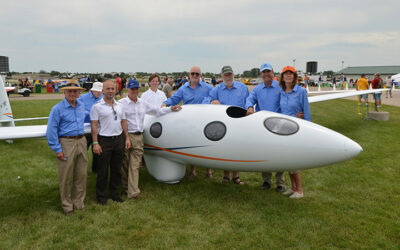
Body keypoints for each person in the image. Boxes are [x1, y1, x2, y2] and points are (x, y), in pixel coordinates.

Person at [245, 62, 303, 192]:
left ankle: (280, 182)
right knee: (264, 152)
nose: (266, 74)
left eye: (268, 71)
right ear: (261, 74)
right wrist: (249, 106)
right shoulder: (257, 89)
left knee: (279, 153)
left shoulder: (280, 86)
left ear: (272, 73)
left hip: (279, 124)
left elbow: (291, 99)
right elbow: (250, 99)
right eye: (263, 72)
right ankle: (266, 180)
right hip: (262, 126)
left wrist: (297, 113)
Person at [119, 80, 181, 199]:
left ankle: (133, 192)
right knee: (125, 165)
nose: (135, 91)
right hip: (125, 136)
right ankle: (126, 187)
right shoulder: (121, 103)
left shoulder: (143, 103)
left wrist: (171, 108)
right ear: (127, 90)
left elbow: (157, 111)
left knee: (135, 164)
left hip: (138, 136)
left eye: (136, 89)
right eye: (132, 89)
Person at [46, 80, 87, 215]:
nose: (72, 93)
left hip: (81, 141)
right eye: (69, 91)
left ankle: (78, 202)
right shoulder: (57, 109)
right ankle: (67, 205)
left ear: (79, 93)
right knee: (66, 176)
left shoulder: (81, 105)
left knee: (81, 174)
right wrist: (57, 149)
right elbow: (51, 130)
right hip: (66, 143)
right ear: (64, 92)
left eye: (75, 91)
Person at [164, 66, 213, 178]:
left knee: (208, 145)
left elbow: (213, 98)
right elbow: (174, 99)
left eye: (197, 74)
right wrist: (164, 104)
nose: (195, 76)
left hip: (205, 120)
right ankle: (192, 169)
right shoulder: (183, 88)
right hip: (190, 122)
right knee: (192, 144)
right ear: (189, 75)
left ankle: (209, 170)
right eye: (193, 73)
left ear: (201, 75)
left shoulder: (208, 88)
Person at [90, 80, 131, 205]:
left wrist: (127, 138)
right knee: (103, 171)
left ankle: (114, 194)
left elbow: (123, 122)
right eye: (107, 89)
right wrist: (95, 143)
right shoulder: (97, 106)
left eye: (112, 89)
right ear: (102, 91)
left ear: (115, 90)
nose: (110, 91)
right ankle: (101, 197)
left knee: (116, 169)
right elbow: (94, 125)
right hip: (104, 140)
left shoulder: (119, 106)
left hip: (118, 139)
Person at [207, 66, 249, 185]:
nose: (228, 77)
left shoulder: (243, 87)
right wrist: (211, 101)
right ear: (222, 76)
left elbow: (249, 102)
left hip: (240, 122)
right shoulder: (217, 89)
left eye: (230, 74)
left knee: (238, 150)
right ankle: (226, 176)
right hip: (224, 123)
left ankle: (236, 177)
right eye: (225, 75)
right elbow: (206, 99)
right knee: (225, 149)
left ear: (233, 74)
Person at [278, 66, 311, 199]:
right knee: (288, 160)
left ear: (294, 76)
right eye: (286, 74)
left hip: (297, 129)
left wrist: (307, 125)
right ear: (282, 77)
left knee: (294, 161)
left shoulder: (301, 91)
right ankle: (293, 187)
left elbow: (306, 111)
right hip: (284, 130)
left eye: (290, 74)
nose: (288, 76)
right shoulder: (281, 91)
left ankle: (299, 190)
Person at [78, 81, 104, 173]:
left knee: (97, 151)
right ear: (92, 90)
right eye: (97, 91)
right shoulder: (82, 98)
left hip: (98, 129)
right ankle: (80, 170)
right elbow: (79, 111)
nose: (98, 93)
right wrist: (91, 115)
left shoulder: (104, 98)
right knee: (82, 150)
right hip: (86, 129)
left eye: (100, 91)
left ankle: (96, 170)